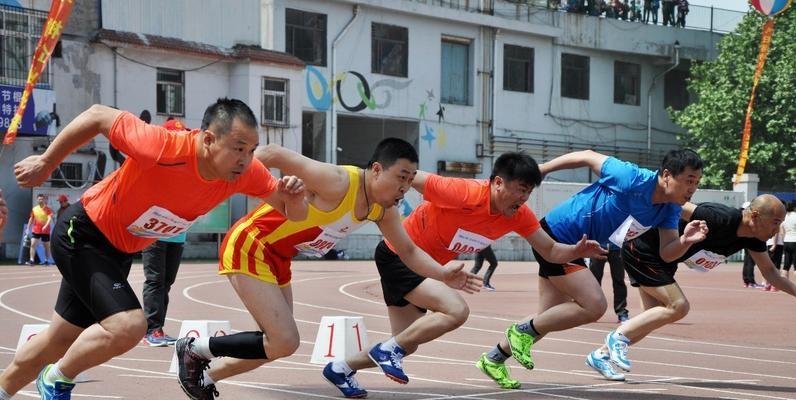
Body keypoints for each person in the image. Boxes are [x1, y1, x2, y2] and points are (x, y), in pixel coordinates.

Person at [0, 98, 306, 400]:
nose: (246, 159)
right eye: (239, 148)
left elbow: (295, 213)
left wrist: (294, 199)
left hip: (117, 251)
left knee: (59, 339)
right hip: (83, 233)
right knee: (129, 326)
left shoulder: (245, 173)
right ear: (209, 139)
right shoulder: (162, 146)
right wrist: (47, 161)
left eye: (252, 150)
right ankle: (56, 379)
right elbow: (96, 115)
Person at [174, 139, 482, 400]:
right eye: (401, 177)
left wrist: (443, 274)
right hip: (251, 243)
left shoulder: (382, 210)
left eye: (411, 178)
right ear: (376, 170)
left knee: (278, 345)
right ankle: (195, 349)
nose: (405, 187)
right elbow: (273, 153)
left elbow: (409, 250)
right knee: (284, 340)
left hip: (278, 258)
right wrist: (218, 182)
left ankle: (208, 375)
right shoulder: (338, 181)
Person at [322, 153, 607, 397]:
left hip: (426, 266)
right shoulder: (462, 192)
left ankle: (340, 368)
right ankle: (386, 352)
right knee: (456, 311)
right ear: (497, 182)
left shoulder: (520, 215)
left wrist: (575, 250)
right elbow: (409, 176)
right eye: (520, 189)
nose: (524, 198)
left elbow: (551, 250)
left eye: (529, 191)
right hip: (400, 254)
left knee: (406, 341)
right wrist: (365, 182)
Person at [480, 149, 703, 389]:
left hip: (579, 247)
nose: (692, 189)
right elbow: (586, 155)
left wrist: (685, 241)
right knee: (594, 305)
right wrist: (542, 169)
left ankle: (494, 358)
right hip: (558, 236)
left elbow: (667, 251)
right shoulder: (631, 177)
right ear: (667, 175)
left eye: (697, 183)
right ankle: (520, 331)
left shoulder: (669, 208)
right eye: (689, 180)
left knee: (548, 317)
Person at [585, 195, 796, 381]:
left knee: (651, 319)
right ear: (756, 216)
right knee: (678, 306)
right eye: (775, 222)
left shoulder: (753, 239)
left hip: (666, 260)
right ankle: (617, 337)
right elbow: (672, 202)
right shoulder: (720, 217)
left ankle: (601, 355)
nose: (776, 230)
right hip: (643, 247)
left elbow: (771, 274)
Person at [141, 119, 192, 347]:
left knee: (167, 282)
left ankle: (157, 328)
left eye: (183, 137)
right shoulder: (155, 165)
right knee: (155, 280)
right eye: (176, 136)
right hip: (153, 234)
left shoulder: (188, 169)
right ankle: (152, 330)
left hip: (177, 234)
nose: (180, 141)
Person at [589, 243, 629, 323]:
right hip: (597, 247)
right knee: (594, 282)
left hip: (616, 248)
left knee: (619, 280)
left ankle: (622, 313)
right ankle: (592, 312)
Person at [26, 194, 54, 265]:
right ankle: (31, 260)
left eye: (42, 199)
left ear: (44, 200)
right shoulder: (34, 209)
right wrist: (28, 228)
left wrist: (45, 226)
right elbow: (31, 218)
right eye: (39, 199)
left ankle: (47, 260)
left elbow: (49, 219)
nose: (40, 200)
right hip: (36, 230)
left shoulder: (48, 209)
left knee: (46, 246)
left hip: (45, 231)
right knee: (33, 244)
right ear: (37, 200)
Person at [782, 200, 796, 282]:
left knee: (786, 265)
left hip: (786, 241)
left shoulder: (785, 216)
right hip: (795, 241)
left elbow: (782, 230)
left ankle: (784, 284)